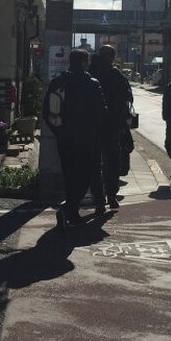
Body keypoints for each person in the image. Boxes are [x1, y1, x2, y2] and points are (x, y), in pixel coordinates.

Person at [43, 49, 106, 228]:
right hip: (86, 138)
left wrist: (59, 132)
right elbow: (101, 113)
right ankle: (67, 209)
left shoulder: (58, 82)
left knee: (70, 176)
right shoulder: (92, 84)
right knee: (84, 176)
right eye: (87, 61)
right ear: (84, 62)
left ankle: (72, 213)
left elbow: (47, 112)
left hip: (64, 138)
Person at [89, 44, 133, 210]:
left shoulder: (89, 72)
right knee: (113, 160)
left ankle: (98, 199)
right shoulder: (116, 75)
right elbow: (127, 99)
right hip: (112, 124)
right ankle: (112, 195)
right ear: (112, 58)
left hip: (92, 125)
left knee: (94, 162)